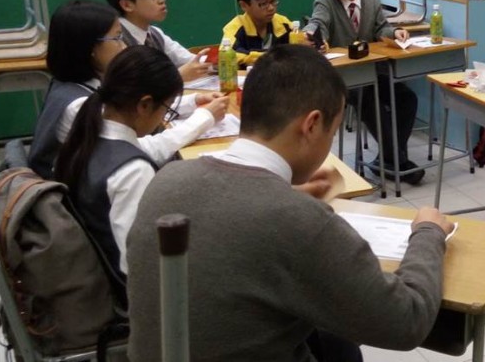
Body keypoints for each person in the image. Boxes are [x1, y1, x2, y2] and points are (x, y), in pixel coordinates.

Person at [126, 45, 454, 362]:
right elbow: (406, 322)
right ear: (311, 125)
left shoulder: (167, 179)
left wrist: (289, 196)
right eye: (333, 131)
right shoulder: (301, 221)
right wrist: (428, 233)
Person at [27, 0, 228, 179]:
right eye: (116, 38)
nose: (124, 46)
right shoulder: (79, 106)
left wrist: (193, 102)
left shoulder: (81, 84)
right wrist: (204, 118)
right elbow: (141, 150)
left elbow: (131, 108)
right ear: (90, 49)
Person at [54, 45, 183, 282]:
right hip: (119, 294)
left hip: (90, 269)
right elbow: (137, 267)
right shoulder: (133, 171)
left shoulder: (84, 135)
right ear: (144, 105)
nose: (164, 117)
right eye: (167, 108)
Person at [308, 0, 423, 184]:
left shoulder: (371, 0)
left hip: (373, 71)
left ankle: (388, 160)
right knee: (368, 100)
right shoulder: (325, 2)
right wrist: (314, 36)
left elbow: (382, 28)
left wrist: (395, 32)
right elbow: (318, 23)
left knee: (407, 98)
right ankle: (399, 163)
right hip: (344, 79)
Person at [104, 0, 210, 82]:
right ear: (127, 5)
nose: (161, 0)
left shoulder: (155, 34)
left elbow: (189, 60)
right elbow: (132, 85)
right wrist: (177, 76)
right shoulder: (114, 40)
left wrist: (217, 61)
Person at [222, 0, 294, 66]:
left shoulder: (283, 23)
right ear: (244, 5)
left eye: (273, 0)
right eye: (263, 3)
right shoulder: (235, 28)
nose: (271, 8)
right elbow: (227, 54)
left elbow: (297, 47)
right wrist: (268, 57)